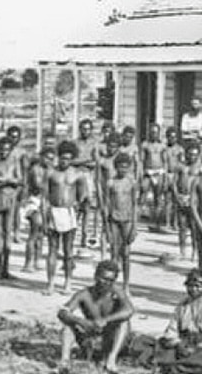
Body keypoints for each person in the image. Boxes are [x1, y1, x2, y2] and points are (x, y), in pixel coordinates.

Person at [57, 259, 134, 374]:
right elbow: (63, 312)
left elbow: (129, 310)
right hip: (90, 336)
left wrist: (106, 320)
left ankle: (111, 360)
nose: (106, 283)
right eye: (103, 278)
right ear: (96, 276)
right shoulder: (84, 294)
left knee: (124, 323)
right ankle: (65, 361)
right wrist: (81, 322)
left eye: (110, 280)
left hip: (109, 338)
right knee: (68, 325)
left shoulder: (116, 292)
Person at [152, 269, 202, 373]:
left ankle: (179, 366)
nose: (193, 289)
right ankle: (182, 364)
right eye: (190, 286)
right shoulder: (182, 305)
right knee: (153, 345)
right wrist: (178, 344)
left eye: (197, 286)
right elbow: (172, 328)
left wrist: (199, 348)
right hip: (184, 341)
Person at [45, 140, 87, 294]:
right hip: (54, 211)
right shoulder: (51, 173)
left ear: (72, 159)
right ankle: (50, 284)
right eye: (62, 158)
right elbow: (45, 195)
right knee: (52, 250)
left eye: (68, 158)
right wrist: (45, 215)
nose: (64, 161)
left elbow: (83, 194)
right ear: (58, 157)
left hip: (68, 212)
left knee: (68, 251)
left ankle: (67, 283)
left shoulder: (77, 174)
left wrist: (78, 204)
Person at [104, 153, 138, 294]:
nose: (123, 170)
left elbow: (135, 205)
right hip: (114, 219)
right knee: (113, 253)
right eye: (120, 167)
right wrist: (106, 226)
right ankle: (112, 284)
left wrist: (135, 226)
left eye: (125, 167)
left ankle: (126, 284)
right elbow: (106, 204)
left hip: (127, 219)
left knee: (126, 253)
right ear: (115, 167)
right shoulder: (110, 182)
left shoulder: (132, 182)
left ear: (129, 168)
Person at [0, 137, 23, 279]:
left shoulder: (14, 162)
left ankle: (5, 268)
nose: (4, 152)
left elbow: (20, 180)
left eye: (7, 150)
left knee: (8, 233)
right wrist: (3, 184)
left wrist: (9, 181)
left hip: (11, 199)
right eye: (2, 150)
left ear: (10, 150)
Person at [21, 146, 55, 272]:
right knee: (35, 229)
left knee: (41, 233)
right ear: (41, 157)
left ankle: (37, 259)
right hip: (35, 201)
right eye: (47, 158)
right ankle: (28, 262)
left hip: (47, 201)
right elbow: (39, 185)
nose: (49, 161)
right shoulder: (36, 169)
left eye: (51, 159)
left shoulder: (52, 170)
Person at [74, 118, 100, 248]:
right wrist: (84, 161)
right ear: (80, 130)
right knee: (75, 207)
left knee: (87, 207)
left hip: (88, 175)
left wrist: (83, 162)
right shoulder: (75, 143)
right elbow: (72, 161)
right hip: (76, 175)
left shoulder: (94, 144)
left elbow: (95, 162)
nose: (86, 131)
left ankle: (84, 236)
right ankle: (72, 233)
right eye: (83, 129)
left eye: (88, 129)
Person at [173, 143, 202, 259]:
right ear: (186, 154)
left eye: (195, 155)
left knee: (194, 227)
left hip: (194, 199)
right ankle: (182, 251)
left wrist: (197, 199)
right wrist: (177, 197)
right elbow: (174, 183)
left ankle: (194, 251)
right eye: (190, 154)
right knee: (182, 226)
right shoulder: (180, 166)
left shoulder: (200, 168)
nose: (192, 157)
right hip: (182, 197)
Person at [141, 123, 167, 229]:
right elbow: (142, 160)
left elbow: (165, 161)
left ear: (159, 133)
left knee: (158, 198)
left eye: (156, 132)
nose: (154, 134)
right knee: (143, 192)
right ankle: (143, 218)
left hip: (159, 172)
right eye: (152, 132)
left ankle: (157, 222)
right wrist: (141, 173)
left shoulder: (162, 146)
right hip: (148, 172)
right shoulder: (145, 145)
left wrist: (164, 175)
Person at [7, 125, 28, 244]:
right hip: (5, 183)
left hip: (17, 183)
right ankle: (7, 233)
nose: (13, 139)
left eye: (16, 137)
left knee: (16, 210)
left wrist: (24, 186)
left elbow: (25, 170)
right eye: (11, 136)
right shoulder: (3, 149)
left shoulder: (21, 152)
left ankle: (16, 233)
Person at [163, 126, 185, 231]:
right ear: (167, 137)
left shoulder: (180, 149)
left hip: (177, 175)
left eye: (174, 137)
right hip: (168, 174)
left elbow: (181, 163)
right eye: (170, 137)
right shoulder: (165, 149)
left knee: (176, 200)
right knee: (168, 200)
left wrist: (178, 176)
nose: (172, 139)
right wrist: (166, 175)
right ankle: (167, 222)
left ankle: (175, 223)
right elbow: (165, 163)